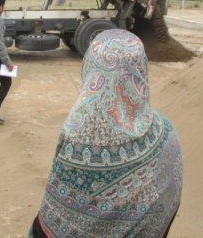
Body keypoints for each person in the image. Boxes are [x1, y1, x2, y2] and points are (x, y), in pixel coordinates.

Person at [29, 29, 183, 237]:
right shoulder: (166, 130)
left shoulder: (77, 134)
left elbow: (53, 222)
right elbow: (169, 201)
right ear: (141, 69)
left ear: (90, 67)